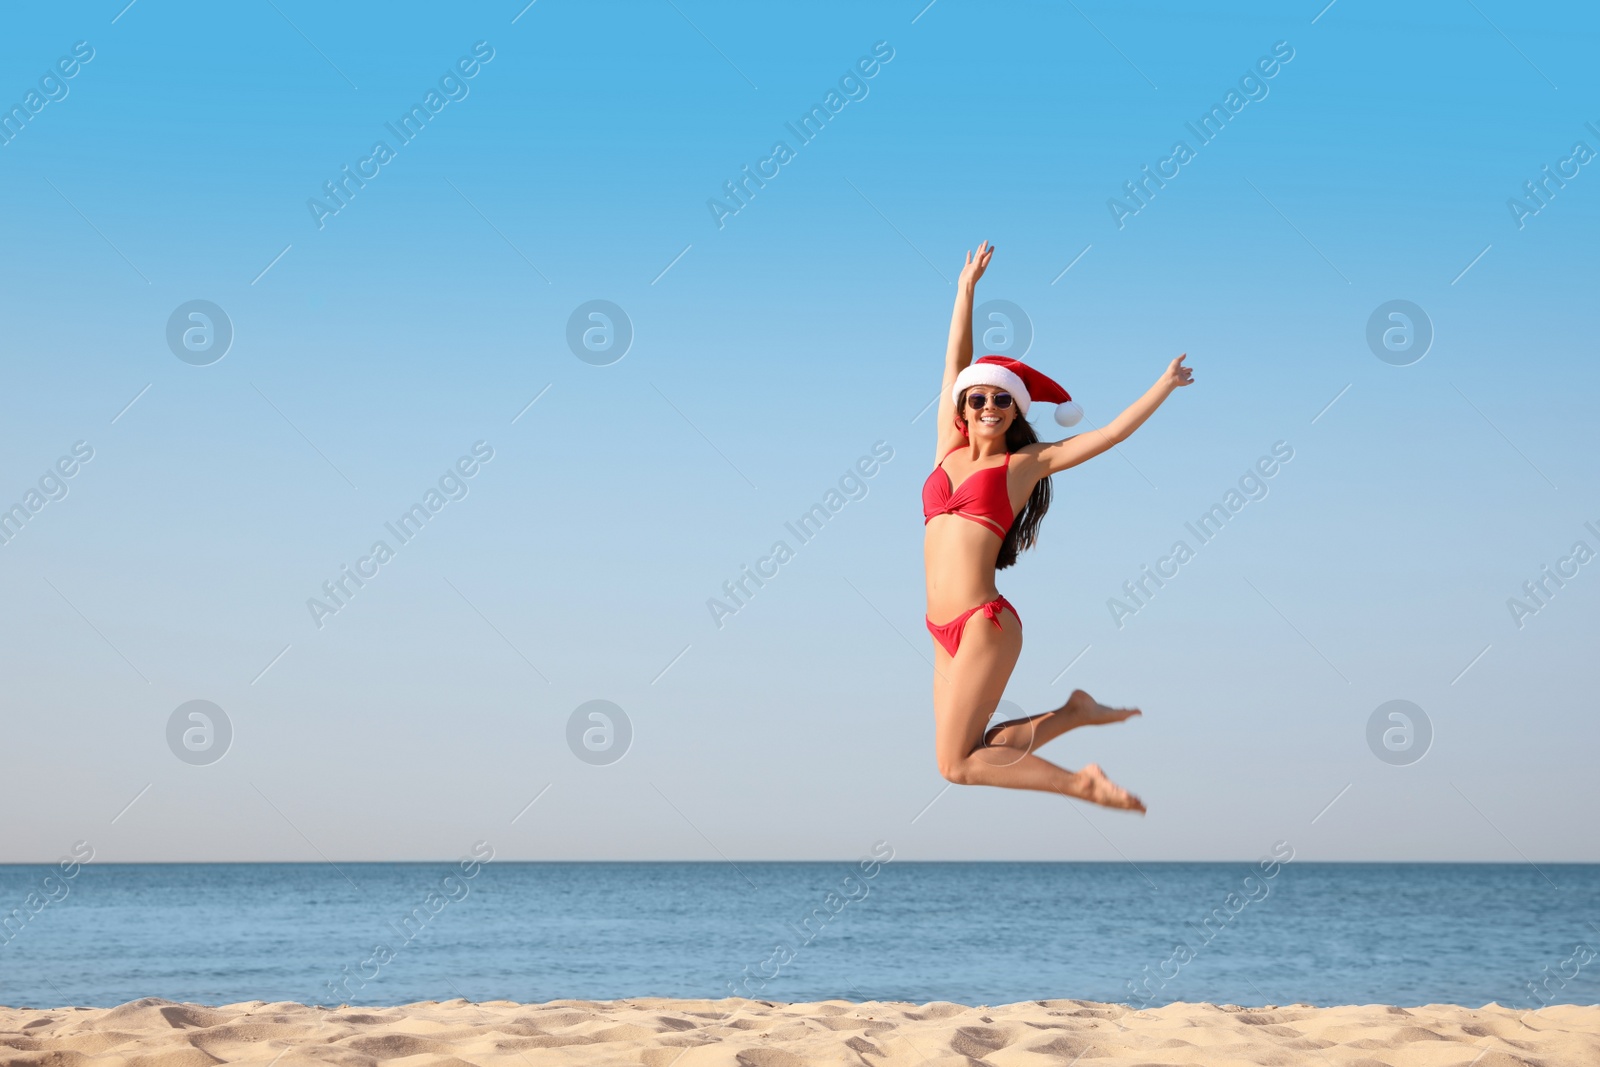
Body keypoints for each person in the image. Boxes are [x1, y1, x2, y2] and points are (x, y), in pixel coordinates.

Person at [923, 241, 1193, 811]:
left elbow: (1111, 435)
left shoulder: (1024, 465)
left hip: (983, 624)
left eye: (1002, 399)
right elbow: (953, 365)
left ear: (1017, 410)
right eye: (978, 398)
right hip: (940, 629)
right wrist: (964, 291)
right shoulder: (947, 447)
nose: (988, 405)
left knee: (957, 765)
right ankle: (1074, 714)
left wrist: (1162, 386)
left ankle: (1081, 783)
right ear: (962, 407)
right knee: (970, 751)